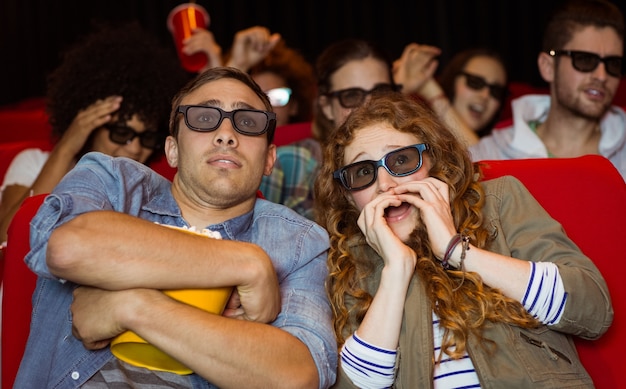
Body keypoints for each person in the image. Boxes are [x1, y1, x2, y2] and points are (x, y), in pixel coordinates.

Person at [14, 67, 337, 388]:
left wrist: (132, 307)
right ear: (172, 150)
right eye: (203, 118)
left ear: (269, 159)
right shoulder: (113, 181)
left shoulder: (300, 242)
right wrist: (247, 264)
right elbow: (68, 247)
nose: (226, 134)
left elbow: (297, 376)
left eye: (248, 122)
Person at [314, 91, 612, 388]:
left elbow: (592, 309)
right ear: (349, 197)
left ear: (433, 161)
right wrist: (396, 270)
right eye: (363, 172)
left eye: (402, 160)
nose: (386, 185)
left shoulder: (498, 203)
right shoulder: (350, 261)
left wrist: (455, 249)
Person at [0, 21, 188, 246]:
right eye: (121, 133)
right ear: (89, 126)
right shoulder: (34, 162)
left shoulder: (148, 188)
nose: (136, 148)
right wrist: (67, 147)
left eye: (147, 138)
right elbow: (8, 239)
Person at [469, 0, 626, 181]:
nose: (602, 76)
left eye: (613, 64)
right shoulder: (489, 157)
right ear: (548, 67)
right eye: (585, 60)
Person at [398, 45, 509, 139]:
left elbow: (479, 154)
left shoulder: (508, 140)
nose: (485, 95)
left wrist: (430, 89)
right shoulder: (417, 131)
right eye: (475, 82)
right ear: (452, 81)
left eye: (496, 91)